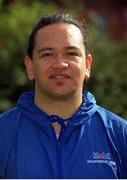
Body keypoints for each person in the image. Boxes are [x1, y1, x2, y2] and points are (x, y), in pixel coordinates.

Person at [0, 13, 127, 179]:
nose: (60, 64)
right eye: (47, 54)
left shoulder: (120, 134)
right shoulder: (3, 133)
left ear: (87, 65)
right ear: (30, 67)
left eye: (71, 53)